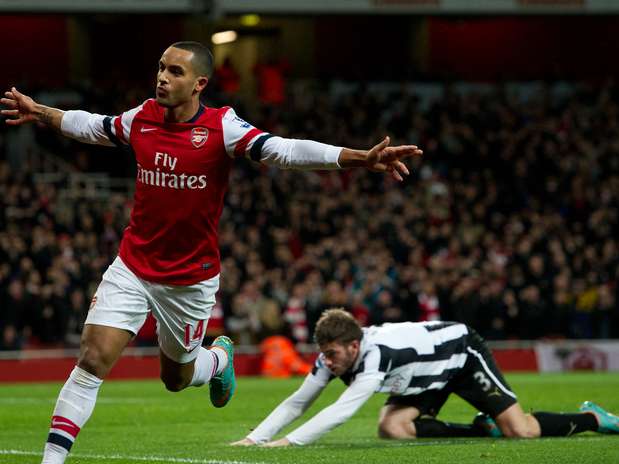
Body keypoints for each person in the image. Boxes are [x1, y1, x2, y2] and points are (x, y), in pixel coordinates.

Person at [0, 42, 422, 464]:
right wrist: (39, 111)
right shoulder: (142, 117)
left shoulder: (223, 128)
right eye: (161, 68)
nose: (163, 77)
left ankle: (218, 359)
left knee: (176, 378)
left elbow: (287, 151)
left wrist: (358, 159)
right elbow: (93, 125)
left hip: (189, 280)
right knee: (92, 359)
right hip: (133, 265)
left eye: (176, 72)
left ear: (200, 83)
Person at [232, 308, 619, 447]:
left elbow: (340, 412)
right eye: (324, 354)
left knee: (523, 430)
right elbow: (300, 401)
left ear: (353, 345)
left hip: (461, 355)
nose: (327, 363)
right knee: (393, 428)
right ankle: (484, 431)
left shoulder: (375, 355)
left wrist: (288, 443)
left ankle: (593, 419)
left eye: (332, 355)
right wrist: (255, 438)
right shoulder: (333, 356)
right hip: (421, 378)